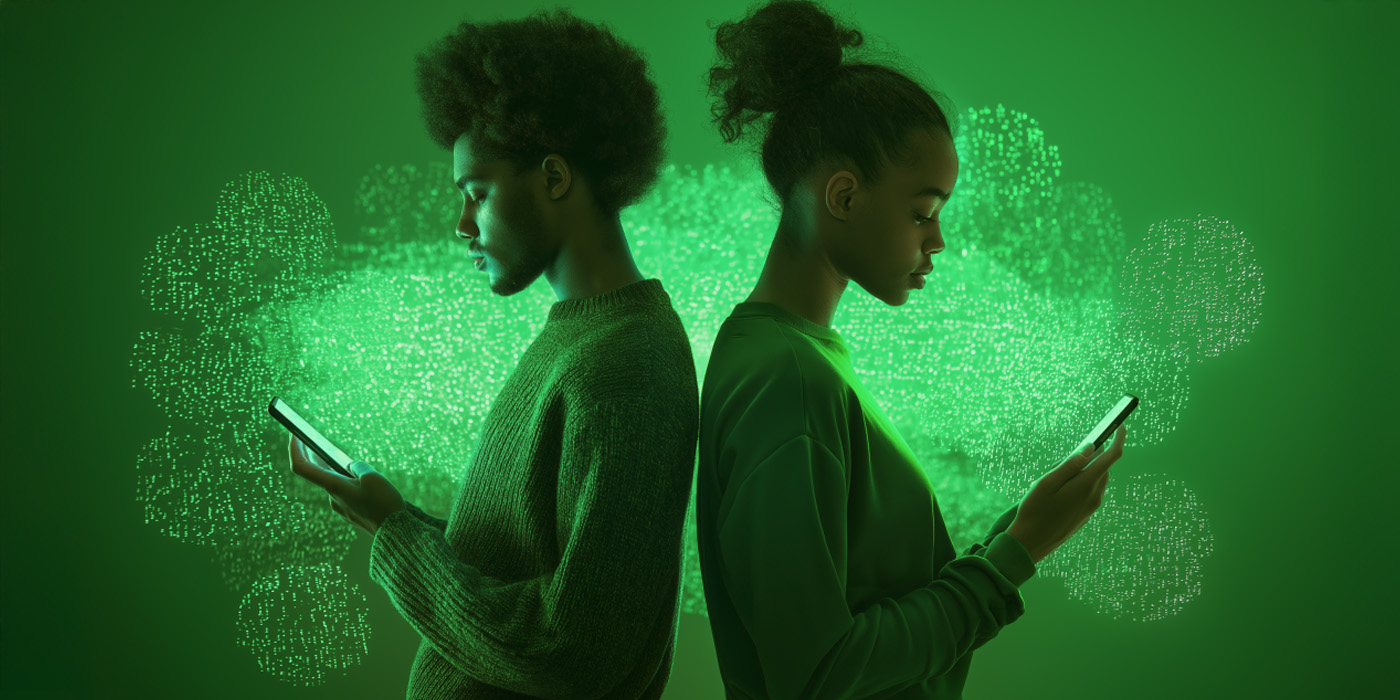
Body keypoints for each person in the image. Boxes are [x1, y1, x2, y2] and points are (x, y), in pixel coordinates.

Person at [693, 1, 1127, 698]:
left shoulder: (800, 359)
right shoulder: (785, 379)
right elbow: (818, 673)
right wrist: (1015, 555)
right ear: (842, 194)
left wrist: (1008, 539)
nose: (938, 241)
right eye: (923, 212)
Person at [287, 8, 698, 699]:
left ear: (555, 177)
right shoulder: (580, 339)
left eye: (477, 193)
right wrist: (393, 518)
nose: (461, 224)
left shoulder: (627, 367)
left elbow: (572, 652)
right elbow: (525, 571)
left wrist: (397, 537)